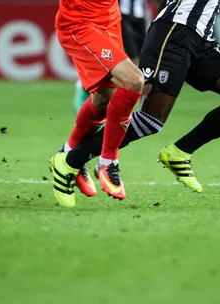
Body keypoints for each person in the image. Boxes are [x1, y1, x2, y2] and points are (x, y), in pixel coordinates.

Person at [62, 0, 220, 197]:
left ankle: (180, 152)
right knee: (150, 119)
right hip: (174, 34)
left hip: (202, 37)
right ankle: (72, 158)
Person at [51, 0, 145, 207]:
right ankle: (108, 161)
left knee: (104, 98)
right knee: (134, 80)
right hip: (80, 23)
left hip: (110, 20)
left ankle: (67, 155)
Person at [72, 0, 148, 114]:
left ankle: (108, 102)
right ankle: (84, 86)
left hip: (140, 15)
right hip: (120, 15)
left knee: (136, 58)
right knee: (124, 58)